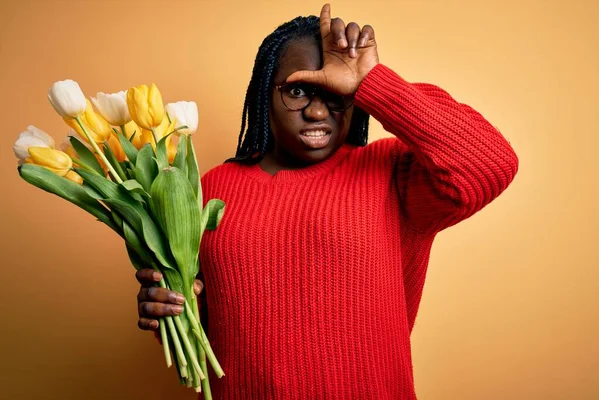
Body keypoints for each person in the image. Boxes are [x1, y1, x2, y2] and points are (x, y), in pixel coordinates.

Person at [135, 4, 519, 399]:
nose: (318, 111)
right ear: (265, 90)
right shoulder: (208, 189)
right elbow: (207, 338)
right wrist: (169, 311)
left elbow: (491, 163)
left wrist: (373, 82)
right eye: (298, 91)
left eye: (335, 93)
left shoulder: (390, 173)